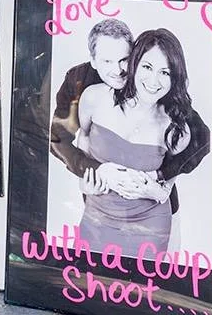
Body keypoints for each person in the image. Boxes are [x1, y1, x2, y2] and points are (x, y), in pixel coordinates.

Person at [49, 20, 211, 199]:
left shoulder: (153, 84)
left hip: (151, 196)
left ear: (134, 57)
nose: (117, 70)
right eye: (107, 61)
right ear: (93, 61)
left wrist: (160, 176)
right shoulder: (78, 80)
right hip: (100, 193)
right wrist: (94, 171)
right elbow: (58, 140)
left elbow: (202, 139)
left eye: (124, 60)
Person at [73, 28, 200, 254]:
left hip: (148, 228)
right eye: (147, 67)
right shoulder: (94, 98)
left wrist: (157, 190)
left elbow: (170, 178)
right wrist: (85, 180)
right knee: (86, 284)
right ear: (134, 64)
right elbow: (82, 143)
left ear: (175, 77)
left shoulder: (176, 128)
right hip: (96, 222)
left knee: (138, 290)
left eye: (165, 72)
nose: (154, 80)